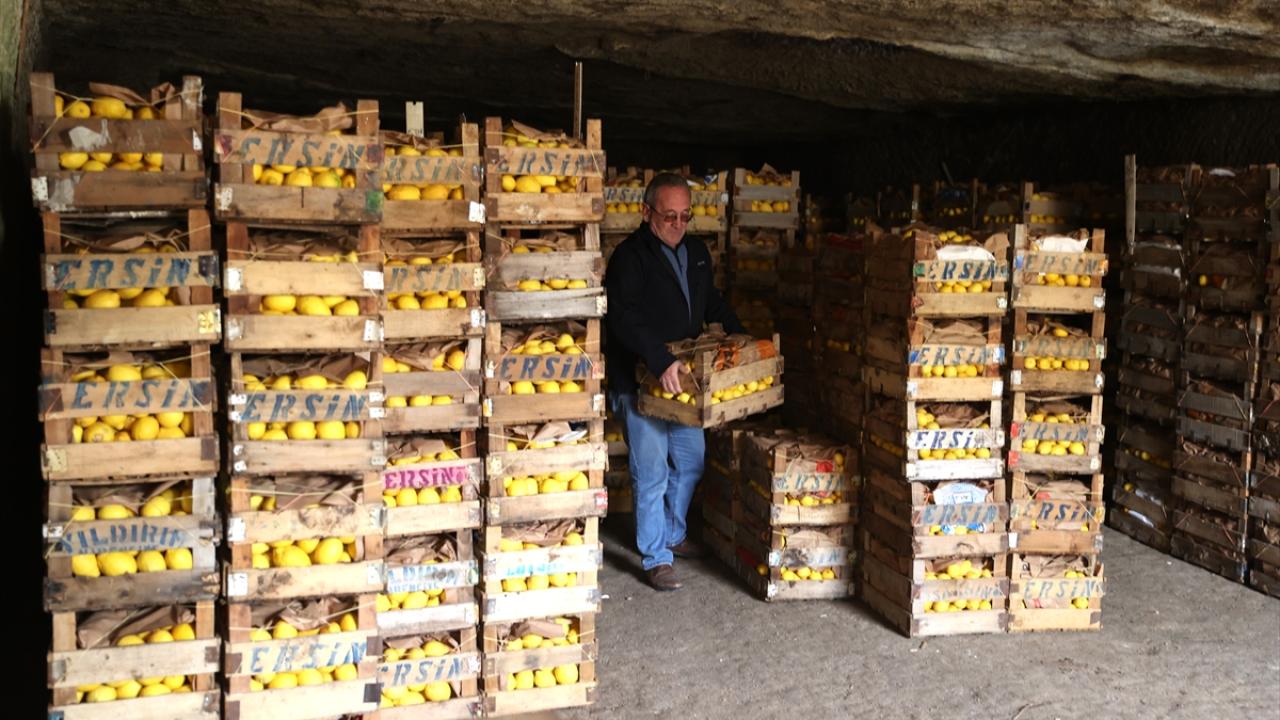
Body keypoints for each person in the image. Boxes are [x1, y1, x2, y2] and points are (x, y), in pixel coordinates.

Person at [604, 172, 747, 591]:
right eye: (669, 216)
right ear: (646, 212)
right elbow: (622, 317)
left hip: (682, 381)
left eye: (686, 216)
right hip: (640, 382)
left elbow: (711, 301)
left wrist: (742, 336)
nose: (678, 225)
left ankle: (671, 532)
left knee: (690, 460)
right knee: (651, 471)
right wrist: (659, 358)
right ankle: (656, 555)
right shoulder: (629, 259)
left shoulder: (697, 252)